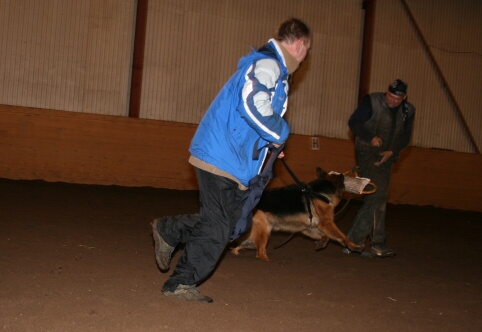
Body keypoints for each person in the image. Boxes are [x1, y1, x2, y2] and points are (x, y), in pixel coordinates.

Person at [151, 18, 312, 303]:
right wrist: (280, 133)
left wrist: (268, 146)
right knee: (218, 227)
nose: (305, 56)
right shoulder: (269, 64)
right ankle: (180, 282)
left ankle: (169, 229)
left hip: (235, 159)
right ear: (300, 44)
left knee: (235, 225)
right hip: (221, 155)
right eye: (306, 50)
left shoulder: (273, 68)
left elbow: (251, 118)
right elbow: (252, 104)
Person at [343, 79, 415, 258]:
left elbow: (406, 136)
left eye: (397, 99)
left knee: (379, 198)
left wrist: (392, 151)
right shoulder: (372, 101)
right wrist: (370, 136)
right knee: (377, 195)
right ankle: (355, 242)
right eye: (390, 96)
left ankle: (376, 243)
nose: (392, 101)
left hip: (387, 156)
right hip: (367, 153)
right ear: (387, 92)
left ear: (404, 97)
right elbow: (354, 122)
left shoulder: (408, 111)